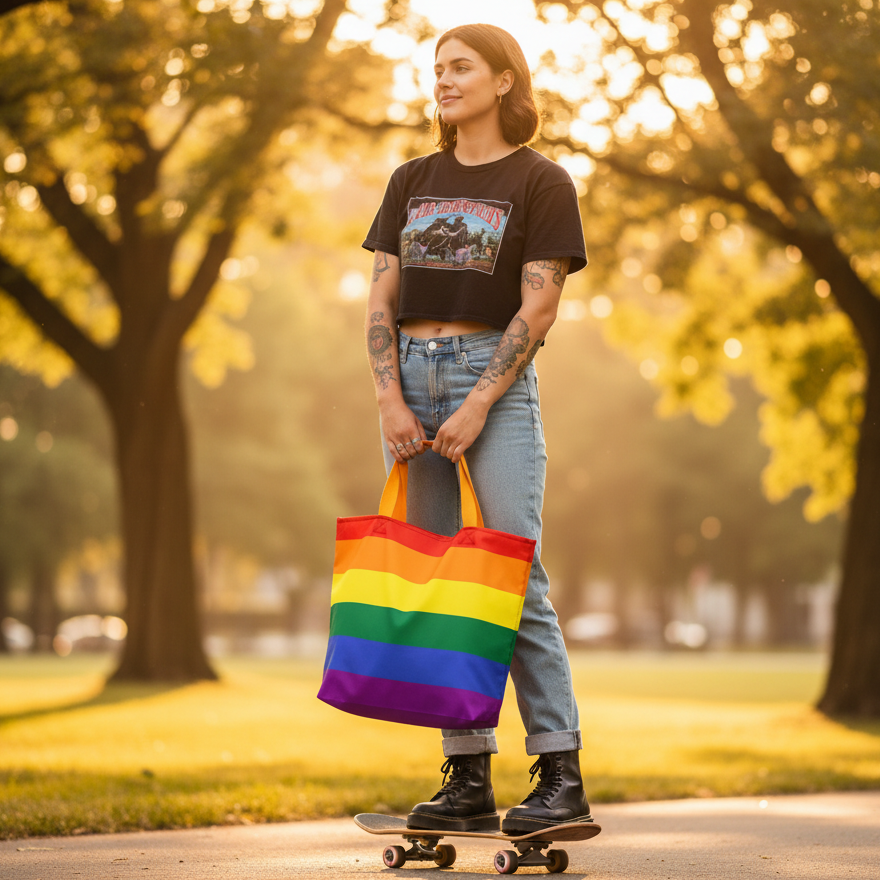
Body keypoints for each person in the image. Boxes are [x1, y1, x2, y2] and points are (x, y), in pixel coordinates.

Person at [362, 22, 591, 836]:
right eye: (438, 69)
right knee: (442, 579)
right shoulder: (410, 180)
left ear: (503, 81)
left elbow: (540, 306)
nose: (444, 80)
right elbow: (381, 303)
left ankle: (560, 773)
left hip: (488, 384)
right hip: (412, 388)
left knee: (514, 576)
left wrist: (477, 403)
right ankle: (466, 776)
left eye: (461, 67)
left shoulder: (541, 181)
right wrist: (391, 400)